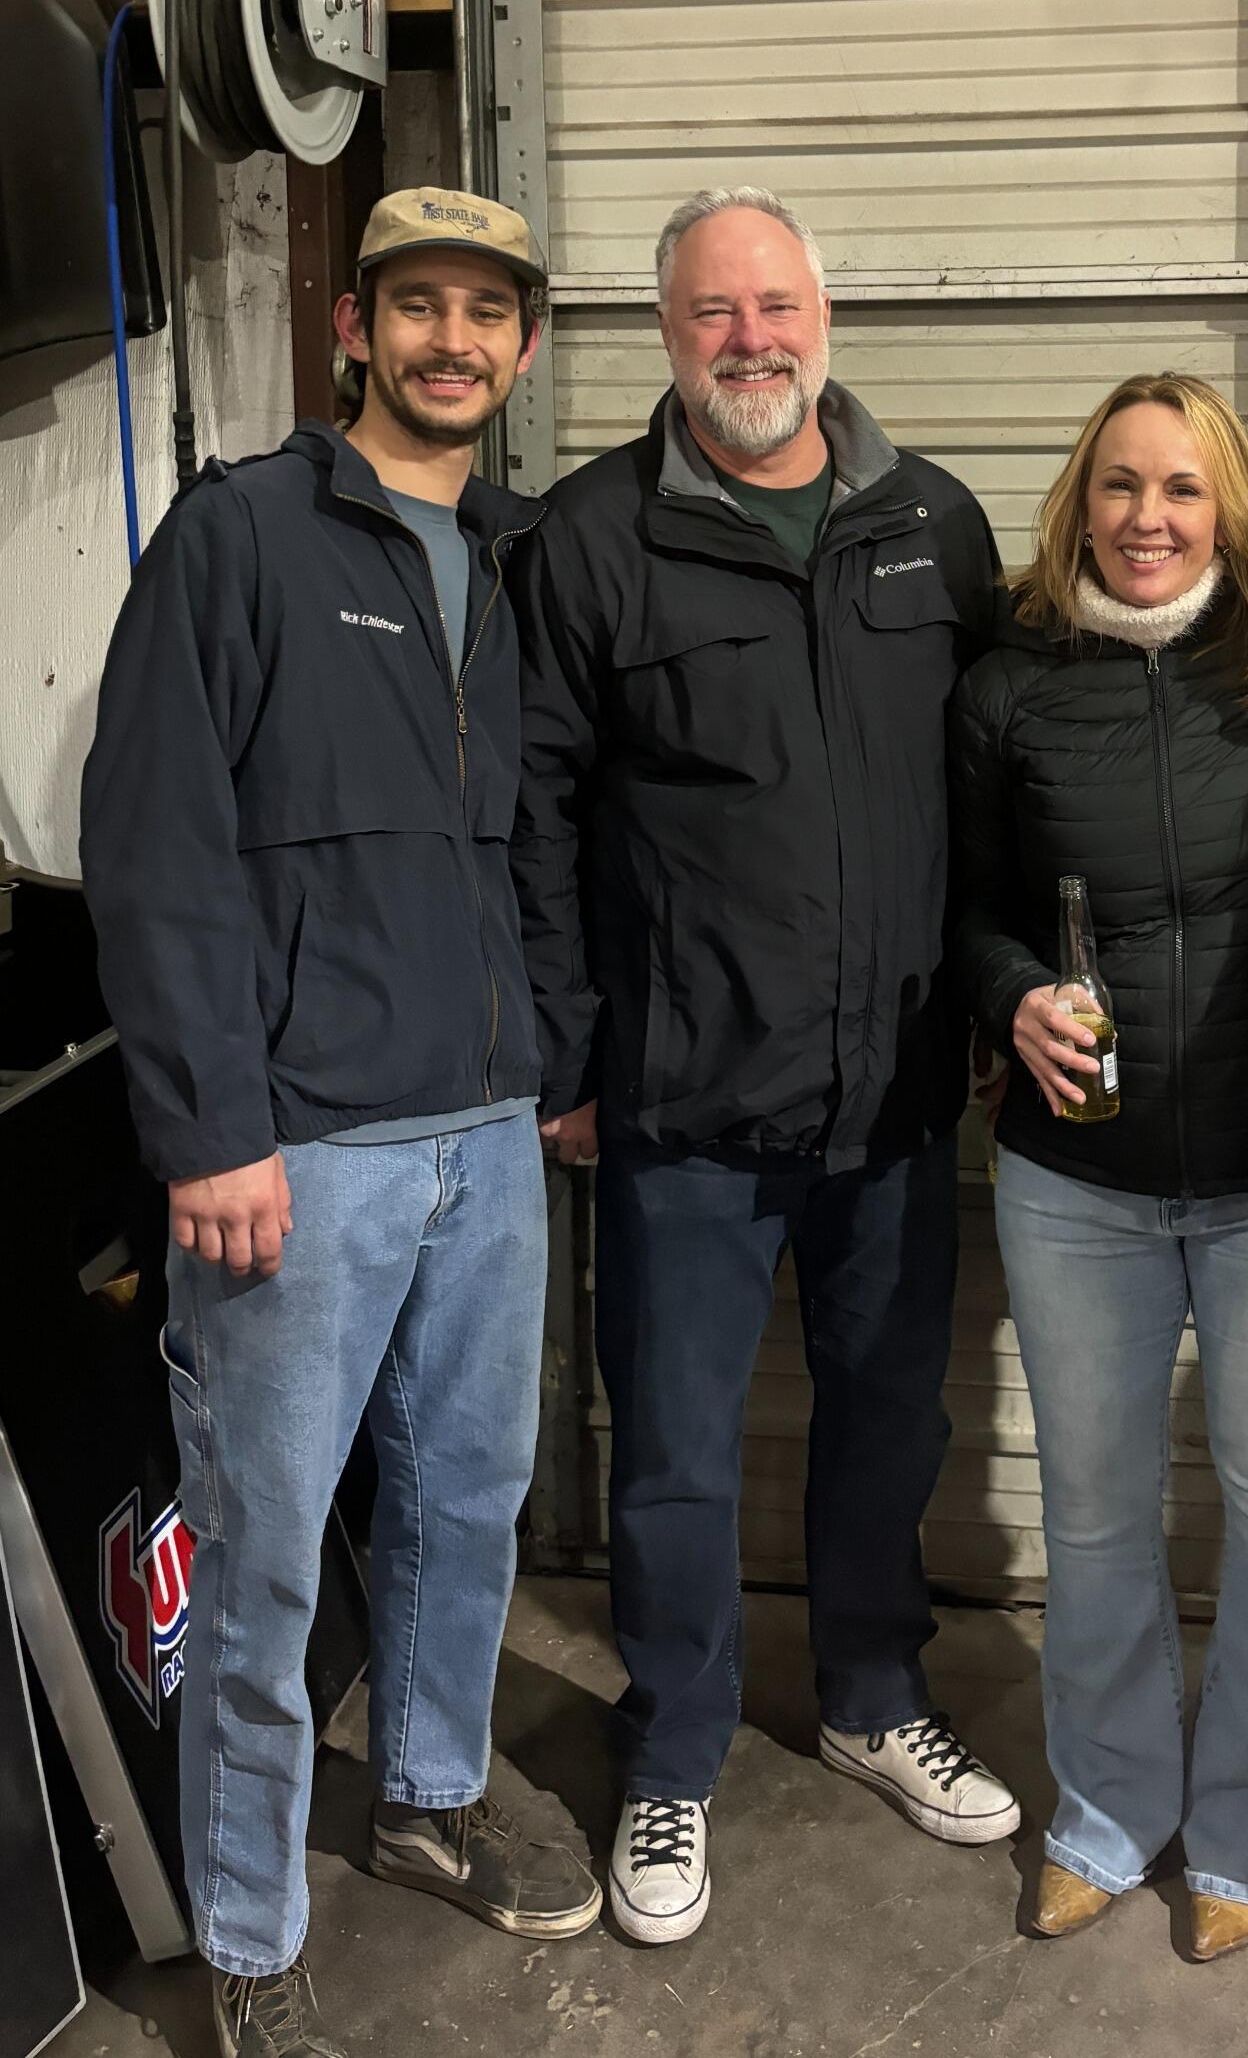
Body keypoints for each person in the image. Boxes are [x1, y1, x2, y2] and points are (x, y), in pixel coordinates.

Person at [80, 190, 602, 2058]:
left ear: (523, 350)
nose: (453, 341)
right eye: (418, 307)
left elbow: (535, 842)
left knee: (471, 1501)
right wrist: (211, 1127)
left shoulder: (526, 562)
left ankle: (432, 1792)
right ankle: (243, 1928)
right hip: (299, 1145)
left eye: (487, 313)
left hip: (488, 1126)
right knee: (269, 1545)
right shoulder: (240, 538)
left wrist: (560, 1064)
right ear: (353, 328)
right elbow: (150, 847)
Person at [510, 184, 1018, 1948]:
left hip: (891, 1097)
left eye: (778, 307)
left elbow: (988, 798)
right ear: (664, 335)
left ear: (827, 319)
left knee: (890, 1418)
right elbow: (536, 816)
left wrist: (996, 1011)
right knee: (667, 1451)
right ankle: (673, 1755)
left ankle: (874, 1699)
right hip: (681, 1105)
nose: (752, 341)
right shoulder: (588, 539)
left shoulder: (930, 526)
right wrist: (566, 1052)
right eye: (715, 313)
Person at [950, 373, 1248, 1960]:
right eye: (1118, 485)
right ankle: (1107, 1817)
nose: (1145, 519)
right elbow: (966, 907)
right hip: (1077, 1181)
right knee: (1098, 1513)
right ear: (1076, 501)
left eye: (1180, 488)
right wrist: (1009, 998)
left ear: (1230, 505)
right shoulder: (1008, 689)